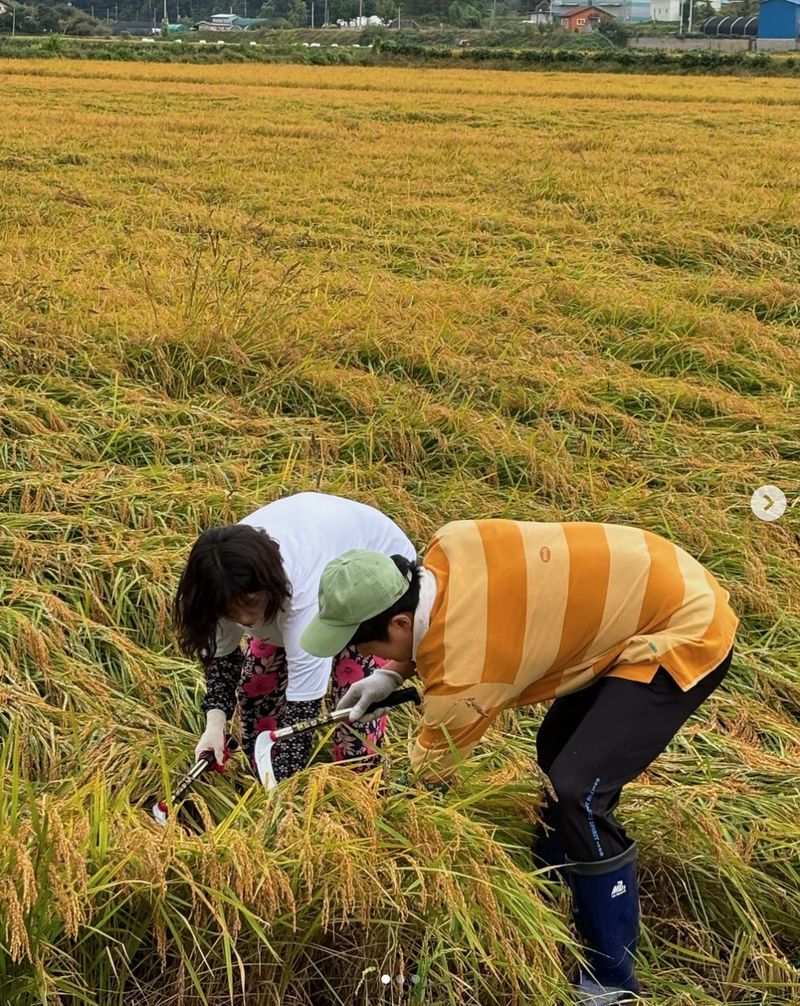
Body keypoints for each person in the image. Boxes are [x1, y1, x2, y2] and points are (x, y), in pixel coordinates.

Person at [299, 519, 738, 1005]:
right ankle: (558, 880)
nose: (363, 656)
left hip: (682, 625)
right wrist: (390, 672)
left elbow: (428, 779)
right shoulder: (448, 545)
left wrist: (371, 827)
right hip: (639, 588)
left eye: (367, 648)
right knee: (556, 753)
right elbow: (436, 631)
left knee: (579, 789)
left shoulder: (469, 670)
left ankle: (611, 978)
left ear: (400, 623)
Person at [173, 492, 416, 782]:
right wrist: (214, 727)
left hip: (372, 579)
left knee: (353, 705)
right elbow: (222, 663)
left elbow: (302, 713)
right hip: (302, 570)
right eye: (230, 612)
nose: (246, 620)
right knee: (256, 688)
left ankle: (360, 788)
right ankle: (261, 780)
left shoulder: (301, 595)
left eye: (251, 603)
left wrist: (287, 792)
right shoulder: (219, 584)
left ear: (268, 586)